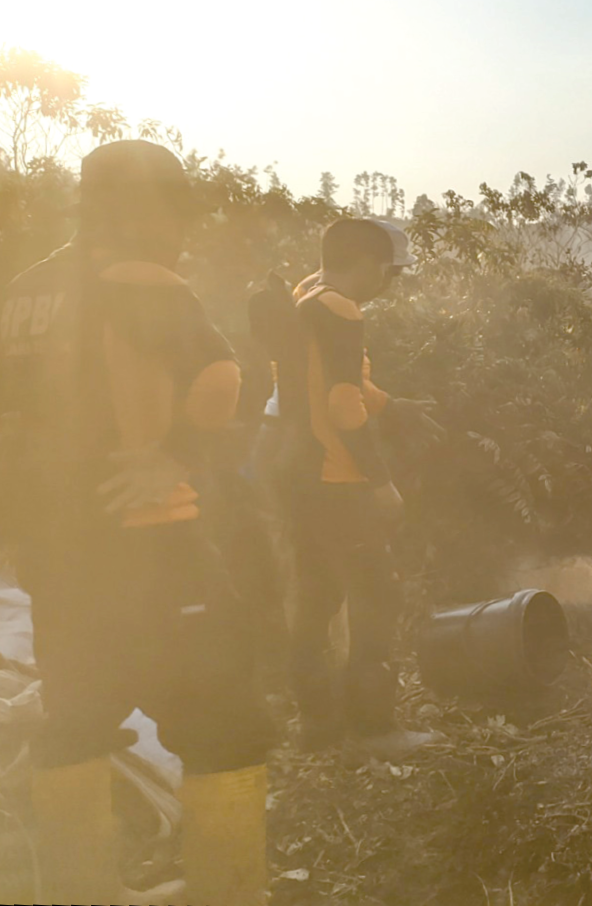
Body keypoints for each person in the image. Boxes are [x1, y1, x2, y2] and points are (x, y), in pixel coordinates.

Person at [0, 139, 273, 905]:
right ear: (141, 210)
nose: (180, 234)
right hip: (152, 544)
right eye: (174, 213)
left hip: (57, 552)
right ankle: (231, 893)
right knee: (224, 721)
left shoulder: (25, 289)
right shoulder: (143, 280)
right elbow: (224, 375)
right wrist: (174, 454)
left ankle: (82, 892)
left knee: (76, 718)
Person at [276, 217, 438, 758]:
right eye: (389, 273)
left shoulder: (306, 295)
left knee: (315, 599)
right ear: (368, 264)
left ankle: (318, 731)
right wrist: (379, 480)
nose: (388, 285)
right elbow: (343, 403)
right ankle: (374, 730)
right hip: (336, 479)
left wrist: (397, 408)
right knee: (376, 597)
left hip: (298, 474)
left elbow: (346, 382)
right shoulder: (342, 307)